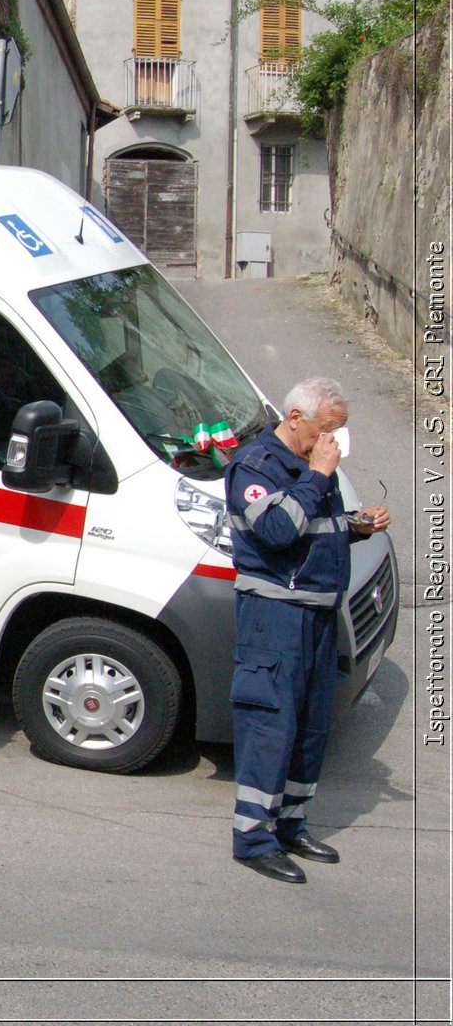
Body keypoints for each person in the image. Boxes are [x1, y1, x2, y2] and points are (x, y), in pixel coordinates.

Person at [225, 376, 390, 883]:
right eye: (327, 429)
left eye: (338, 431)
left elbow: (316, 528)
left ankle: (290, 824)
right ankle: (253, 839)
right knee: (271, 725)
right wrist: (317, 476)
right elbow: (276, 531)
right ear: (296, 419)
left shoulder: (313, 466)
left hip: (318, 615)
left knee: (311, 726)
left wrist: (356, 524)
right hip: (275, 618)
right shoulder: (255, 466)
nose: (334, 442)